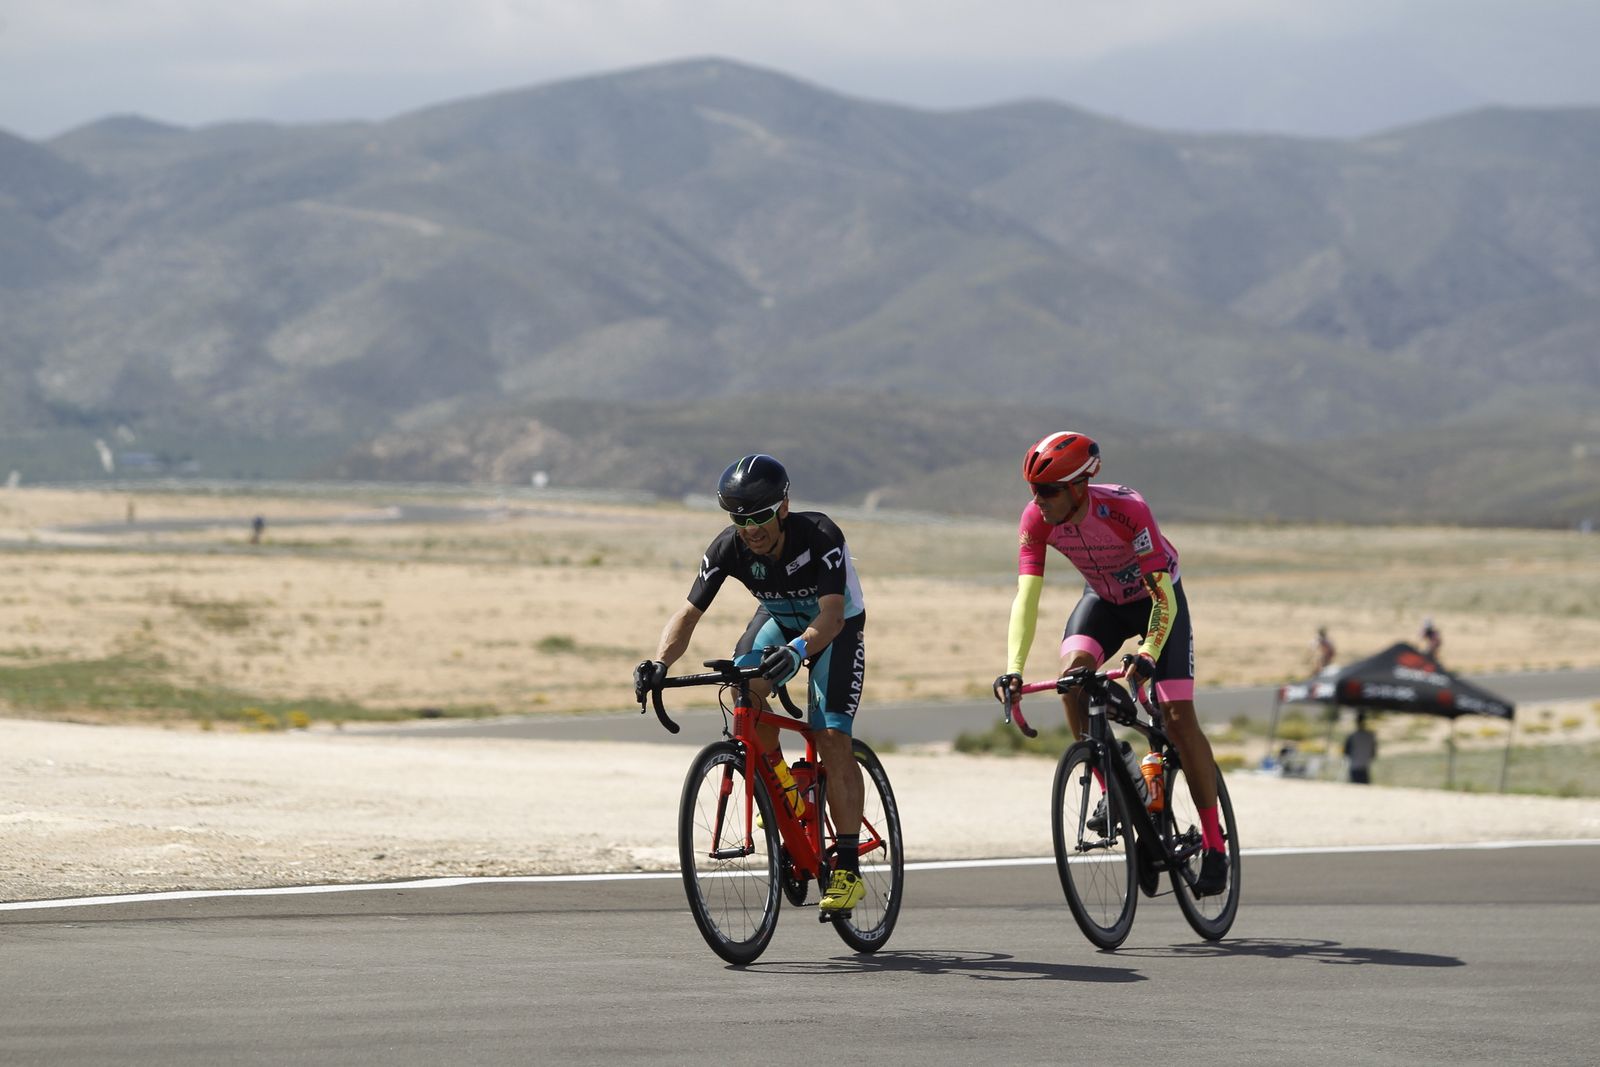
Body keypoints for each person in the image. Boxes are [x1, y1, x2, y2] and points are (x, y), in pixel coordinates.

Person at [995, 431, 1229, 897]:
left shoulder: (1127, 510)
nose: (1037, 501)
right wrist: (1014, 668)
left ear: (1079, 486)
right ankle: (1116, 787)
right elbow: (1027, 596)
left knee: (1179, 719)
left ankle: (1214, 841)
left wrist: (1147, 655)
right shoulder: (1035, 519)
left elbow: (1163, 597)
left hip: (1157, 602)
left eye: (1048, 491)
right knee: (1072, 681)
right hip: (1102, 601)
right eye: (1032, 490)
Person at [634, 454, 869, 915]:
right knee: (743, 691)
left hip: (833, 628)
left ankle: (845, 868)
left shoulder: (819, 534)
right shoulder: (730, 546)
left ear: (783, 507)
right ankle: (780, 787)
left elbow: (833, 614)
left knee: (831, 735)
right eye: (739, 518)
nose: (750, 528)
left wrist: (800, 651)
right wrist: (659, 662)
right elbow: (688, 614)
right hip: (778, 621)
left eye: (760, 516)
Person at [1343, 714, 1377, 784]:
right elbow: (1373, 753)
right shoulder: (1370, 736)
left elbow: (1346, 752)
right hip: (1364, 766)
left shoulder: (1352, 736)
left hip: (1355, 766)